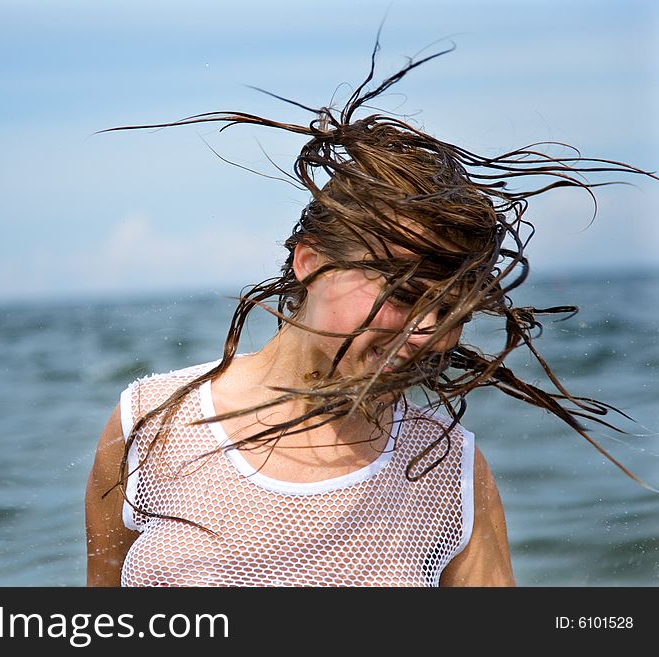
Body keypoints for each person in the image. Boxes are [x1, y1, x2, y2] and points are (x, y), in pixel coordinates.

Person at [85, 43, 656, 587]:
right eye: (405, 294)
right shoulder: (152, 424)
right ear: (310, 262)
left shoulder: (447, 476)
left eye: (452, 307)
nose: (430, 333)